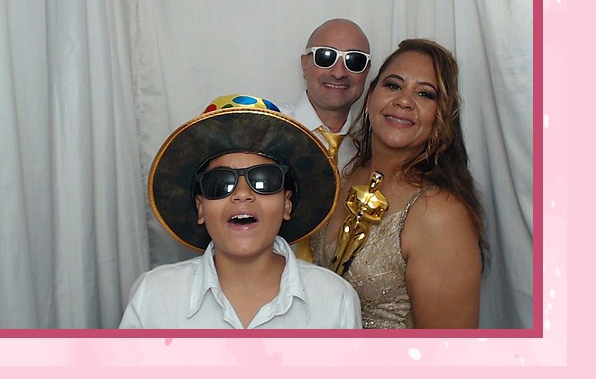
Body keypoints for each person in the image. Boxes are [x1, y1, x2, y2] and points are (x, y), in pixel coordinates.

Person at [118, 94, 360, 330]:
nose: (242, 194)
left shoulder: (334, 300)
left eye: (264, 180)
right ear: (201, 207)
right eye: (221, 183)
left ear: (286, 204)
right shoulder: (153, 297)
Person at [310, 39, 486, 329]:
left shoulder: (440, 214)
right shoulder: (347, 173)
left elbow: (449, 349)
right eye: (393, 85)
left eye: (425, 93)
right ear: (370, 97)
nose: (404, 101)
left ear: (441, 115)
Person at [292, 17, 372, 167]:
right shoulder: (267, 130)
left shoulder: (372, 147)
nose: (339, 73)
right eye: (326, 57)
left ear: (367, 71)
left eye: (354, 61)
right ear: (305, 65)